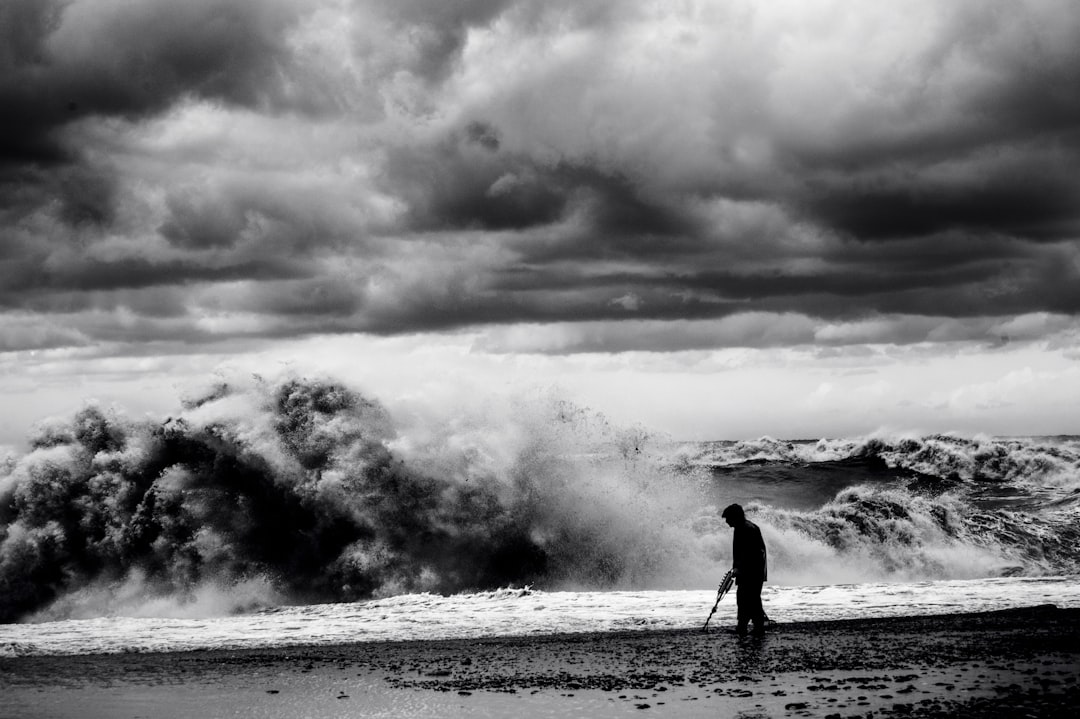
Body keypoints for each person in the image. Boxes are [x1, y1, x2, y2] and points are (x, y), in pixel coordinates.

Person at [722, 503, 767, 636]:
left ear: (735, 517)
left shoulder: (747, 529)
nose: (727, 522)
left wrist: (740, 569)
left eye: (728, 518)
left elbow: (752, 554)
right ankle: (745, 627)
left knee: (749, 599)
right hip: (750, 571)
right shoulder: (742, 527)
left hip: (752, 572)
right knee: (746, 599)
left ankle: (754, 628)